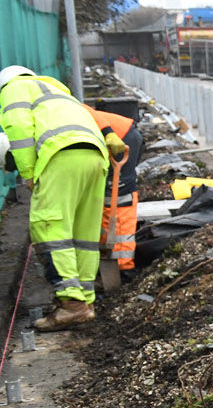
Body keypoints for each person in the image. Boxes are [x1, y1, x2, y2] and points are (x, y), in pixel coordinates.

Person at [0, 65, 113, 330]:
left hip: (60, 154)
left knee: (48, 227)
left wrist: (28, 172)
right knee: (82, 233)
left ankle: (71, 305)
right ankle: (84, 302)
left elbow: (18, 127)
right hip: (95, 156)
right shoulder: (56, 91)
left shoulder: (14, 89)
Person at [85, 104, 143, 274]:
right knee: (106, 200)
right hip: (109, 141)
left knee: (118, 202)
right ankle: (107, 250)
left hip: (121, 139)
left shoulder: (56, 108)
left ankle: (124, 265)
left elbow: (95, 117)